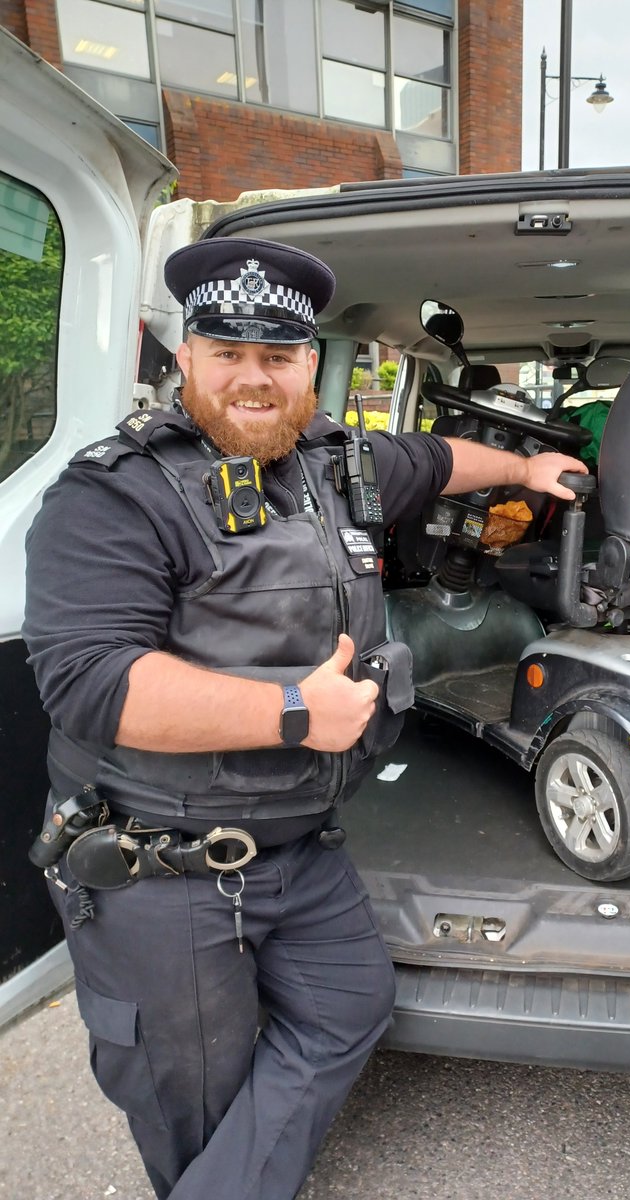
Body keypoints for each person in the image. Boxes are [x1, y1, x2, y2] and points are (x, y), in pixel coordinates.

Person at [23, 236, 587, 1200]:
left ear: (310, 367)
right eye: (228, 354)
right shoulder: (113, 494)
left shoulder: (342, 461)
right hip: (165, 869)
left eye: (277, 357)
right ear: (185, 355)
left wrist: (530, 472)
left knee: (348, 1006)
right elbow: (90, 681)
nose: (254, 379)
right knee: (193, 1100)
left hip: (299, 846)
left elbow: (445, 457)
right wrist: (294, 711)